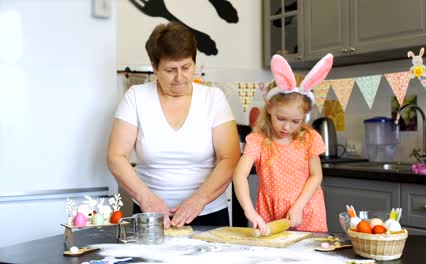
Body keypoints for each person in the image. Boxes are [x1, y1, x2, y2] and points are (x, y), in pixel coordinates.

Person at [107, 21, 240, 228]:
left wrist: (199, 200)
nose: (180, 78)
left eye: (186, 68)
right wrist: (146, 199)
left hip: (209, 213)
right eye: (170, 70)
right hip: (149, 215)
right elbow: (116, 156)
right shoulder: (136, 97)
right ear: (155, 68)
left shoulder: (213, 99)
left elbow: (230, 158)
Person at [233, 53, 334, 234]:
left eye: (296, 121)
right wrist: (249, 210)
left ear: (304, 116)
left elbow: (316, 176)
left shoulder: (309, 138)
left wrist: (298, 207)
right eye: (281, 118)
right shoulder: (258, 140)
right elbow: (240, 175)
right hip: (272, 216)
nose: (287, 126)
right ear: (270, 107)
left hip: (307, 211)